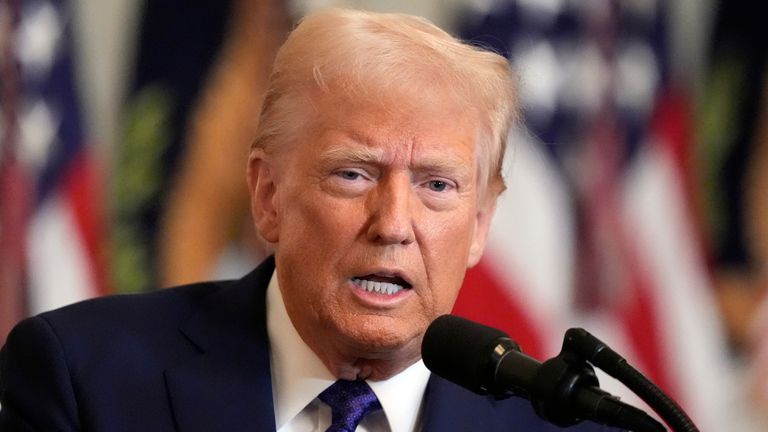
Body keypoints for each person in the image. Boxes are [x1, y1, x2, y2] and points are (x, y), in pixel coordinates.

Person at [0, 9, 616, 431]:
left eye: (436, 185)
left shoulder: (562, 423)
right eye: (354, 174)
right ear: (268, 196)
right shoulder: (85, 377)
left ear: (480, 224)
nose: (393, 224)